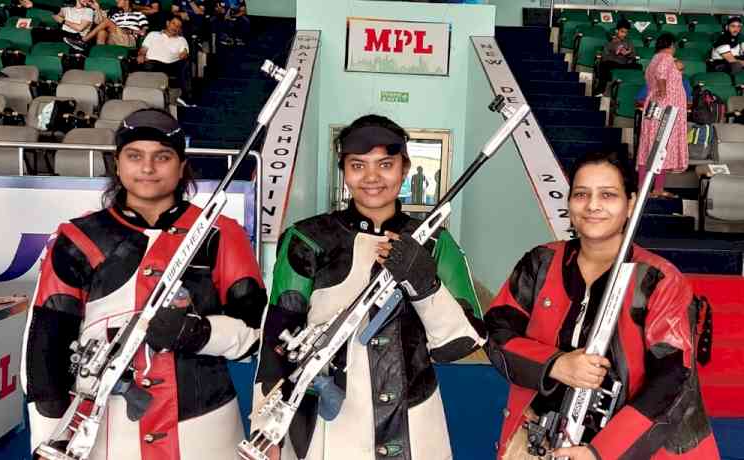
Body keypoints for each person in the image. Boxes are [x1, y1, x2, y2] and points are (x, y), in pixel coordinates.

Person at [22, 108, 268, 459]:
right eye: (135, 156)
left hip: (204, 426)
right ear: (118, 164)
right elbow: (47, 343)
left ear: (181, 166)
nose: (148, 168)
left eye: (162, 157)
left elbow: (257, 334)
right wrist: (49, 438)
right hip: (107, 428)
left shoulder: (222, 233)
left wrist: (198, 334)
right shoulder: (77, 237)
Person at [251, 114, 486, 460]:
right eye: (358, 165)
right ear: (343, 171)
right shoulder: (306, 239)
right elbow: (277, 338)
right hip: (329, 420)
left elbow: (463, 342)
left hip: (415, 419)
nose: (372, 178)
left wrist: (425, 285)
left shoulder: (436, 243)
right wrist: (266, 424)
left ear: (405, 169)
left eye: (385, 164)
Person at [484, 151, 720, 460]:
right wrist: (556, 364)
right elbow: (496, 331)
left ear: (631, 204)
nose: (593, 206)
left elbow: (673, 379)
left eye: (608, 195)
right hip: (539, 436)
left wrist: (601, 452)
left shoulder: (659, 280)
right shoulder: (540, 262)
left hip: (631, 449)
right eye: (581, 194)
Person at [636, 33, 688, 199]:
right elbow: (661, 74)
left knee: (649, 146)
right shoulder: (666, 58)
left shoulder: (654, 59)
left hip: (654, 107)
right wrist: (664, 91)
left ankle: (644, 188)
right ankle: (657, 188)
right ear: (672, 45)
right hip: (665, 109)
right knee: (662, 145)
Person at [138, 17, 194, 107]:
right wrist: (141, 55)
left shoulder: (181, 40)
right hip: (152, 62)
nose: (175, 27)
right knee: (147, 64)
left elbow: (184, 53)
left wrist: (184, 54)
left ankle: (185, 97)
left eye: (178, 26)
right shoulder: (153, 34)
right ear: (168, 23)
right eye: (174, 24)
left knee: (185, 64)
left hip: (171, 65)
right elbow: (143, 49)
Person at [64, 0, 148, 50]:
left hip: (129, 40)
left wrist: (130, 30)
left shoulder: (139, 15)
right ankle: (100, 55)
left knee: (107, 23)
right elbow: (103, 24)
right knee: (102, 32)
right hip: (114, 39)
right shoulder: (116, 15)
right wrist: (97, 8)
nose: (116, 0)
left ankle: (83, 41)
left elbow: (143, 33)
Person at [595, 18, 641, 95]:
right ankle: (601, 90)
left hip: (624, 64)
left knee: (638, 66)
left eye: (626, 32)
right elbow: (604, 57)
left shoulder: (629, 42)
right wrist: (614, 53)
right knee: (603, 65)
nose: (624, 34)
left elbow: (633, 56)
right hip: (613, 64)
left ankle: (634, 90)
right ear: (617, 31)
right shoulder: (610, 43)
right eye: (622, 32)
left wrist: (628, 54)